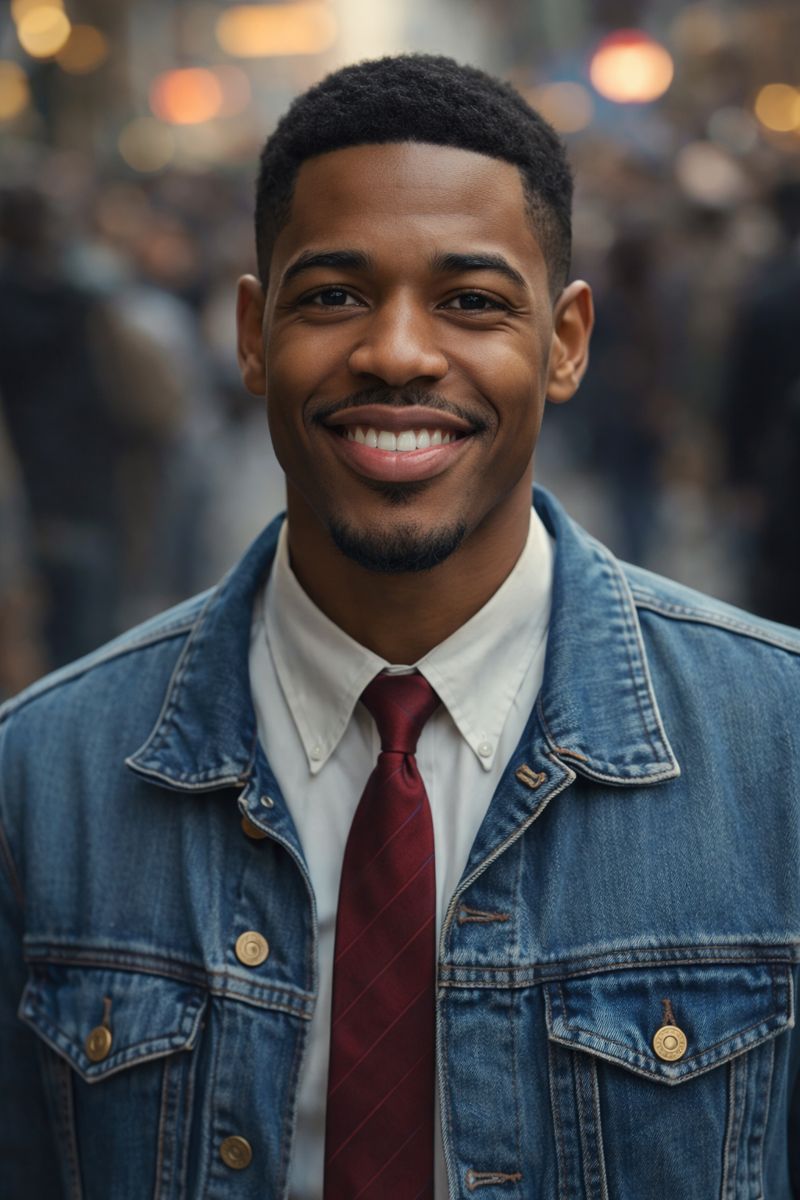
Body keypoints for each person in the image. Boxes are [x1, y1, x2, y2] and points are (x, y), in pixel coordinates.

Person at [1, 54, 798, 1200]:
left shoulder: (774, 751)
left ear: (566, 340)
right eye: (332, 296)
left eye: (471, 301)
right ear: (251, 332)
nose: (397, 352)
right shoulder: (42, 779)